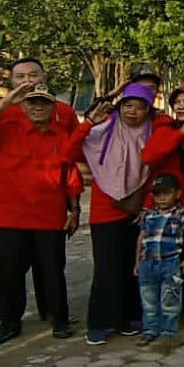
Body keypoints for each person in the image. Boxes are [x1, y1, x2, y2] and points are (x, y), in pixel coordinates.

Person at [0, 58, 80, 323]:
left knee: (50, 268)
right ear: (12, 83)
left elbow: (70, 162)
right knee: (7, 272)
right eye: (20, 77)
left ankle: (55, 315)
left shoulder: (63, 114)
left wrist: (74, 207)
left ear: (44, 77)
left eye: (33, 75)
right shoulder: (0, 113)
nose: (27, 81)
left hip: (48, 210)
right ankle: (8, 321)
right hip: (8, 210)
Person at [68, 82, 159, 346]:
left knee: (132, 268)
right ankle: (98, 322)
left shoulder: (151, 134)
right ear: (119, 108)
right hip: (104, 210)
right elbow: (68, 152)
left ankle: (127, 319)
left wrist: (148, 205)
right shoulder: (102, 132)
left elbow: (155, 171)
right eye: (127, 106)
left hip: (136, 209)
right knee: (106, 269)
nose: (133, 112)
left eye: (140, 107)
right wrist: (87, 124)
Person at [142, 80, 184, 313]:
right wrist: (181, 132)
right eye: (177, 102)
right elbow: (149, 156)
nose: (181, 107)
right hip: (170, 208)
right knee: (171, 259)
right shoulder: (166, 128)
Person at [133, 174, 184, 346]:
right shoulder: (148, 215)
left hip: (170, 262)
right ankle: (150, 330)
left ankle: (168, 331)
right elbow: (141, 237)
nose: (161, 198)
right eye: (157, 194)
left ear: (177, 194)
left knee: (170, 298)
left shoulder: (181, 214)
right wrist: (137, 262)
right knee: (148, 299)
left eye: (166, 193)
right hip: (148, 262)